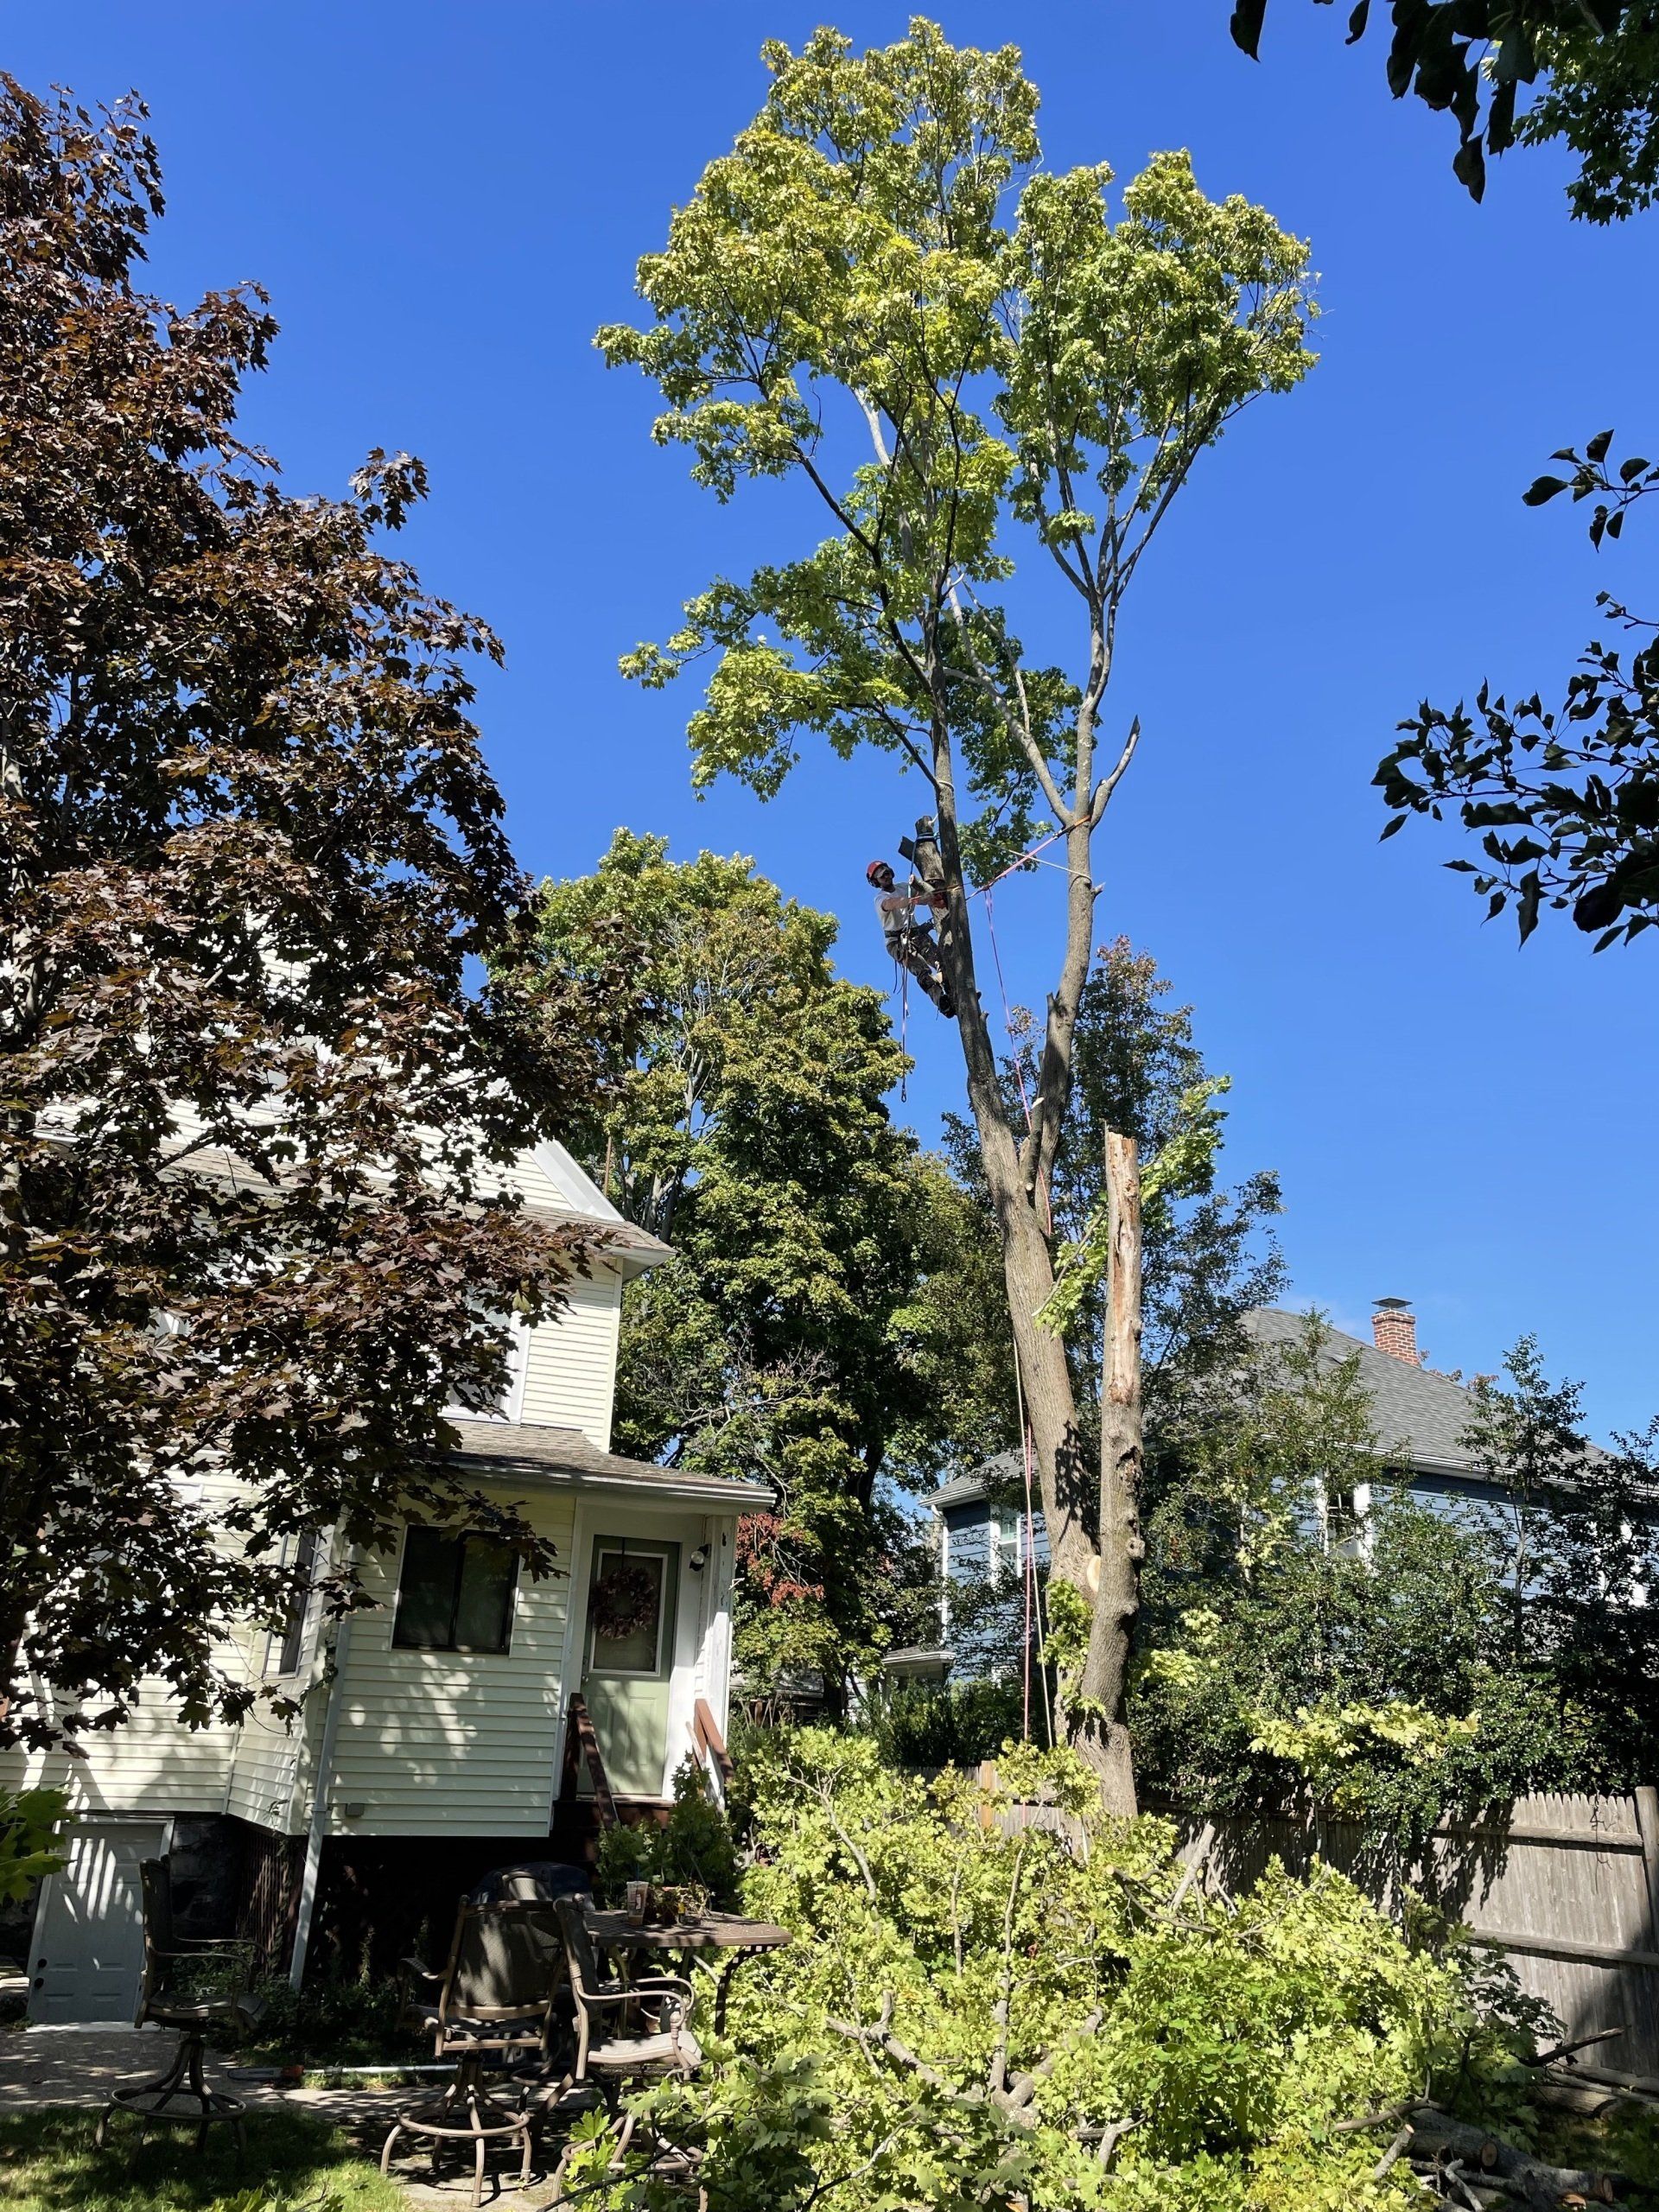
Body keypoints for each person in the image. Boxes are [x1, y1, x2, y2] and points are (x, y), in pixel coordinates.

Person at [867, 857, 955, 1017]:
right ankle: (941, 1001)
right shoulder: (880, 899)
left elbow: (924, 893)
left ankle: (956, 994)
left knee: (942, 961)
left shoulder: (904, 887)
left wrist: (936, 899)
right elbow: (892, 904)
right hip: (897, 943)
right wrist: (916, 900)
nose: (886, 877)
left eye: (887, 873)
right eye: (881, 876)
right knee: (922, 970)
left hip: (916, 933)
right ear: (876, 882)